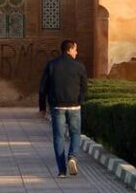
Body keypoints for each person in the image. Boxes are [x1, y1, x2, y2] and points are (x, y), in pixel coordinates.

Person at [39, 39, 88, 178]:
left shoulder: (52, 65)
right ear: (70, 49)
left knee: (58, 137)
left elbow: (43, 88)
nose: (76, 52)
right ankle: (72, 156)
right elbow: (84, 87)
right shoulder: (79, 66)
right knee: (75, 134)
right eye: (75, 49)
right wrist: (80, 101)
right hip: (74, 106)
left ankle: (62, 170)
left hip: (57, 106)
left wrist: (42, 107)